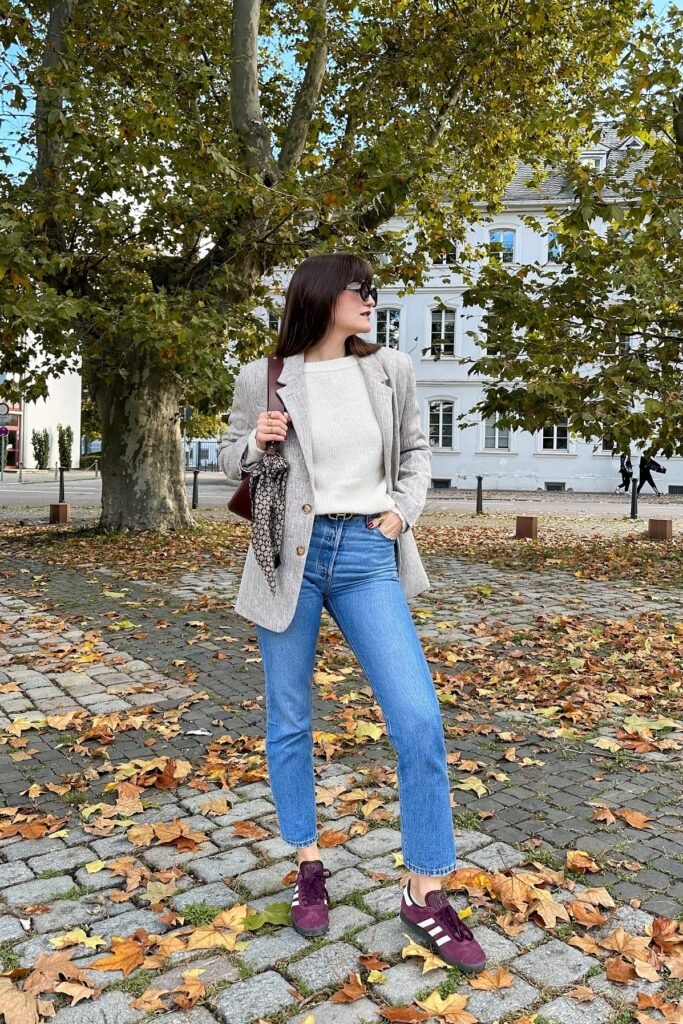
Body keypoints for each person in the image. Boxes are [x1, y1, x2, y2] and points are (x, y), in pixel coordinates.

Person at [218, 253, 486, 974]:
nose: (370, 299)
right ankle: (308, 861)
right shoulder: (265, 376)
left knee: (418, 719)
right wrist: (255, 442)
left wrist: (402, 511)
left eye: (370, 290)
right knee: (290, 717)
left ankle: (423, 891)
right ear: (318, 297)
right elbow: (227, 460)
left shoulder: (390, 368)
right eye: (357, 289)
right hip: (288, 561)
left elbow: (415, 452)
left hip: (368, 553)